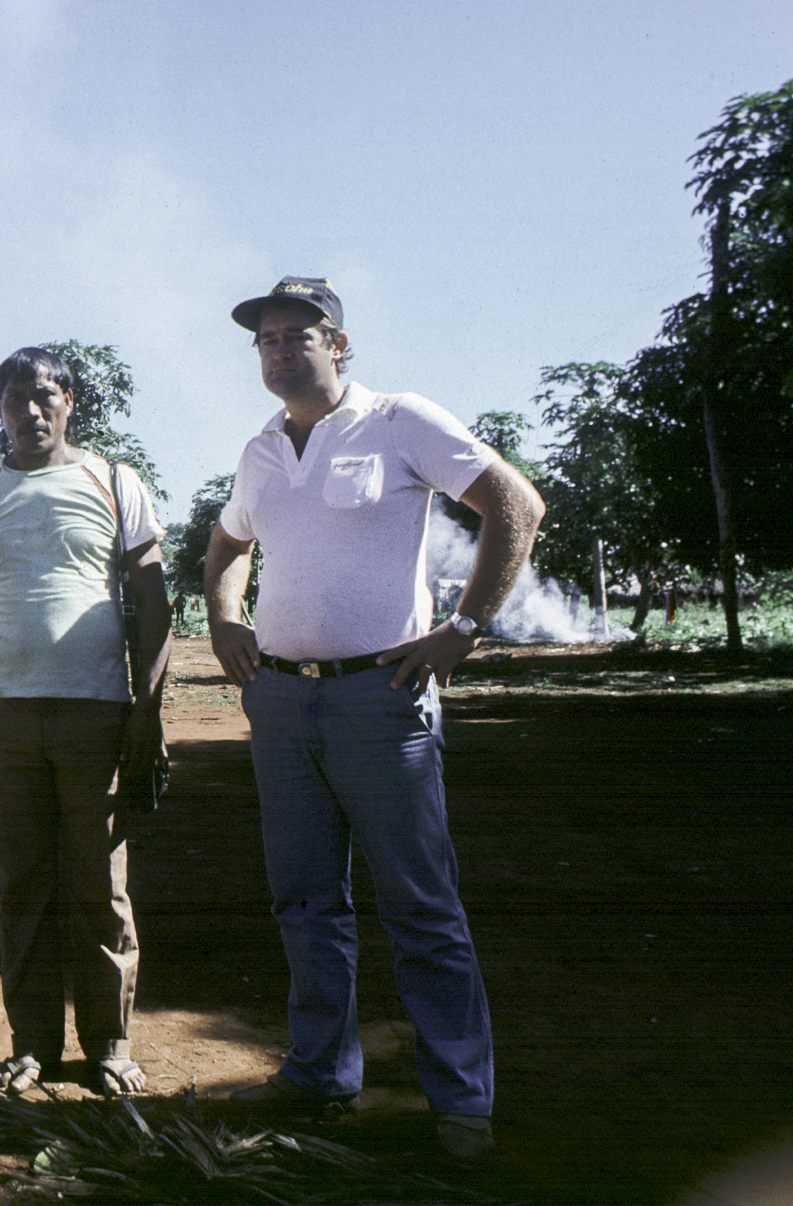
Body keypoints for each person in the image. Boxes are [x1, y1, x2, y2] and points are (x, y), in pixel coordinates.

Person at [202, 277, 544, 1160]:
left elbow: (516, 503)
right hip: (279, 699)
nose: (279, 349)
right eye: (266, 339)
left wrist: (462, 629)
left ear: (339, 343)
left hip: (379, 698)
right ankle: (321, 1073)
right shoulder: (261, 449)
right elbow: (228, 545)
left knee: (420, 904)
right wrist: (226, 616)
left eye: (296, 334)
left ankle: (462, 1101)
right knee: (307, 899)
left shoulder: (400, 421)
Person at [0, 347, 170, 1098]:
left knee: (99, 884)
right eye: (13, 399)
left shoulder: (114, 481)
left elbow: (154, 601)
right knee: (23, 883)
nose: (29, 411)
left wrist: (148, 708)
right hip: (5, 715)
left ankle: (109, 1042)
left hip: (97, 715)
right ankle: (33, 1042)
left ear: (68, 400)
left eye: (43, 395)